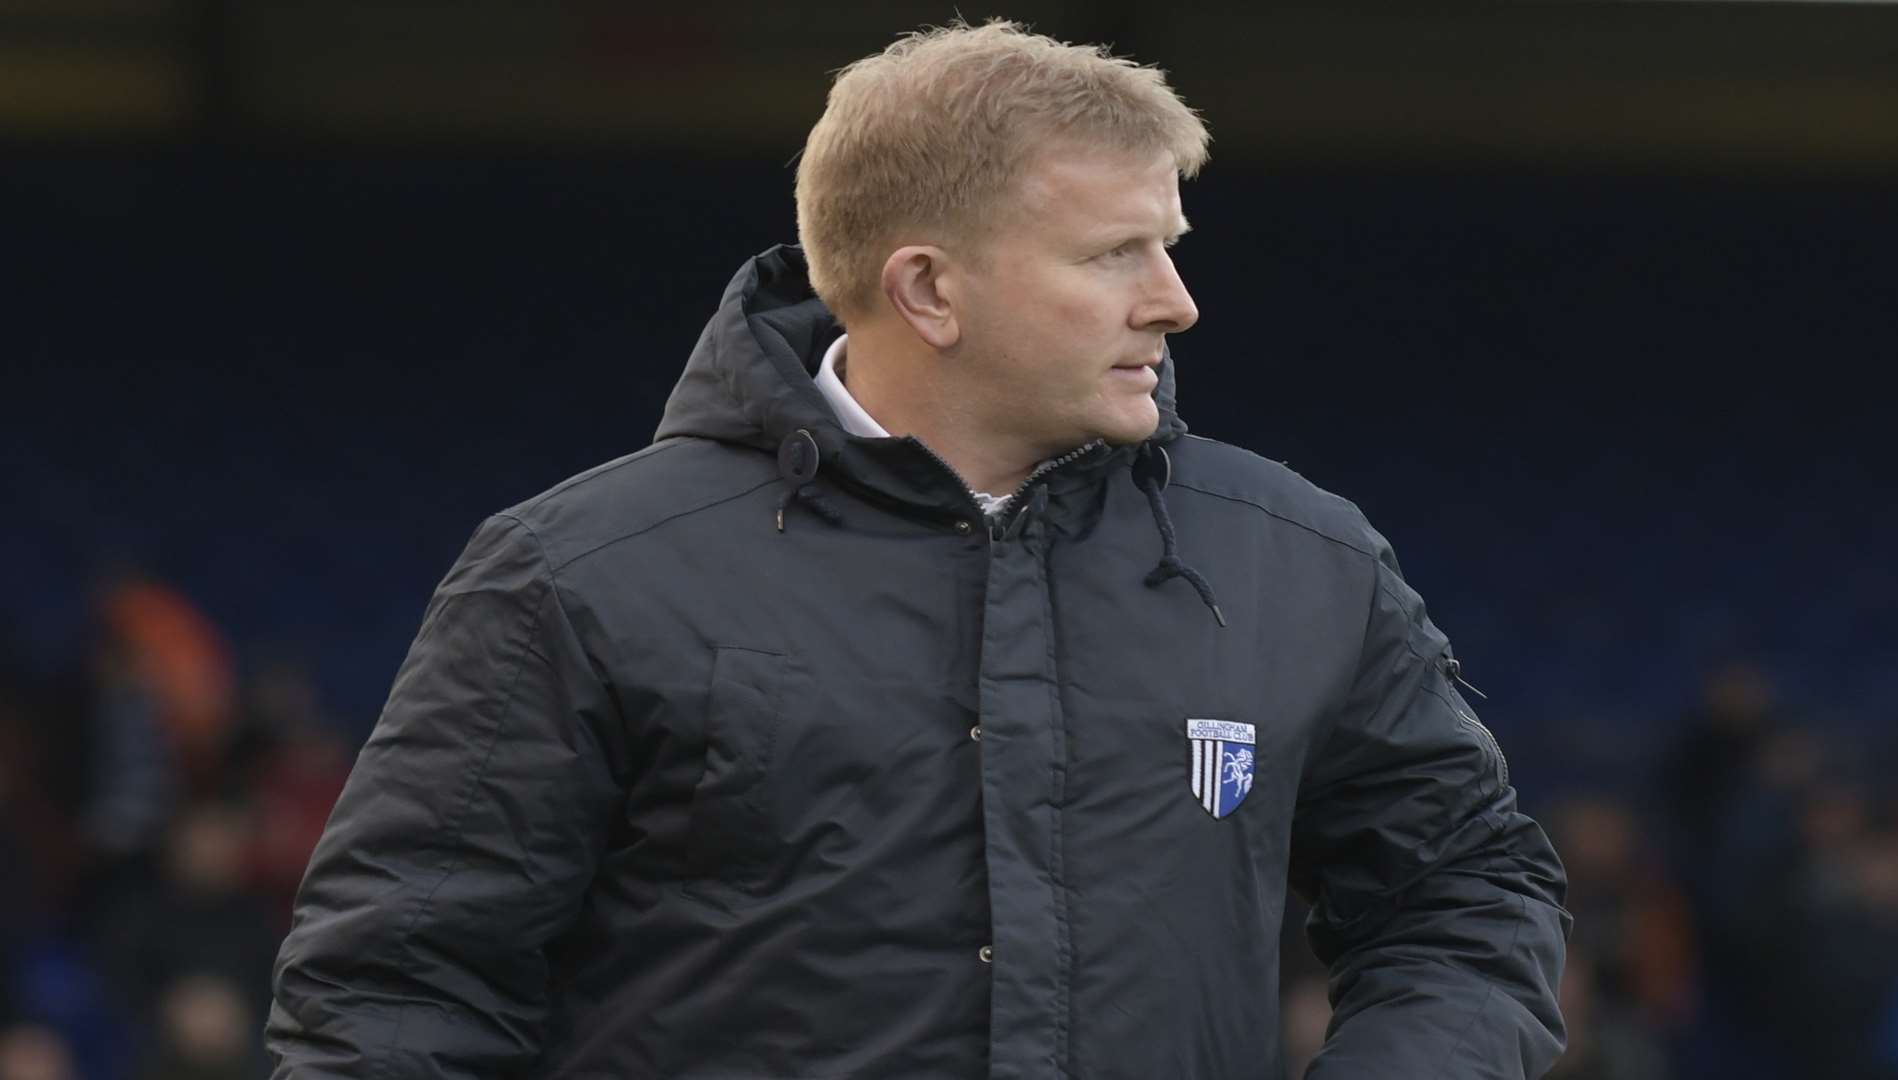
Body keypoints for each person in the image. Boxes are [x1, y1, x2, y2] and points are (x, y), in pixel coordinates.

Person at [266, 19, 1569, 1079]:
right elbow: (398, 998)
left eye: (1165, 245)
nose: (1174, 300)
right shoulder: (576, 576)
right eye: (1115, 252)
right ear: (928, 288)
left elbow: (1467, 889)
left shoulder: (1301, 561)